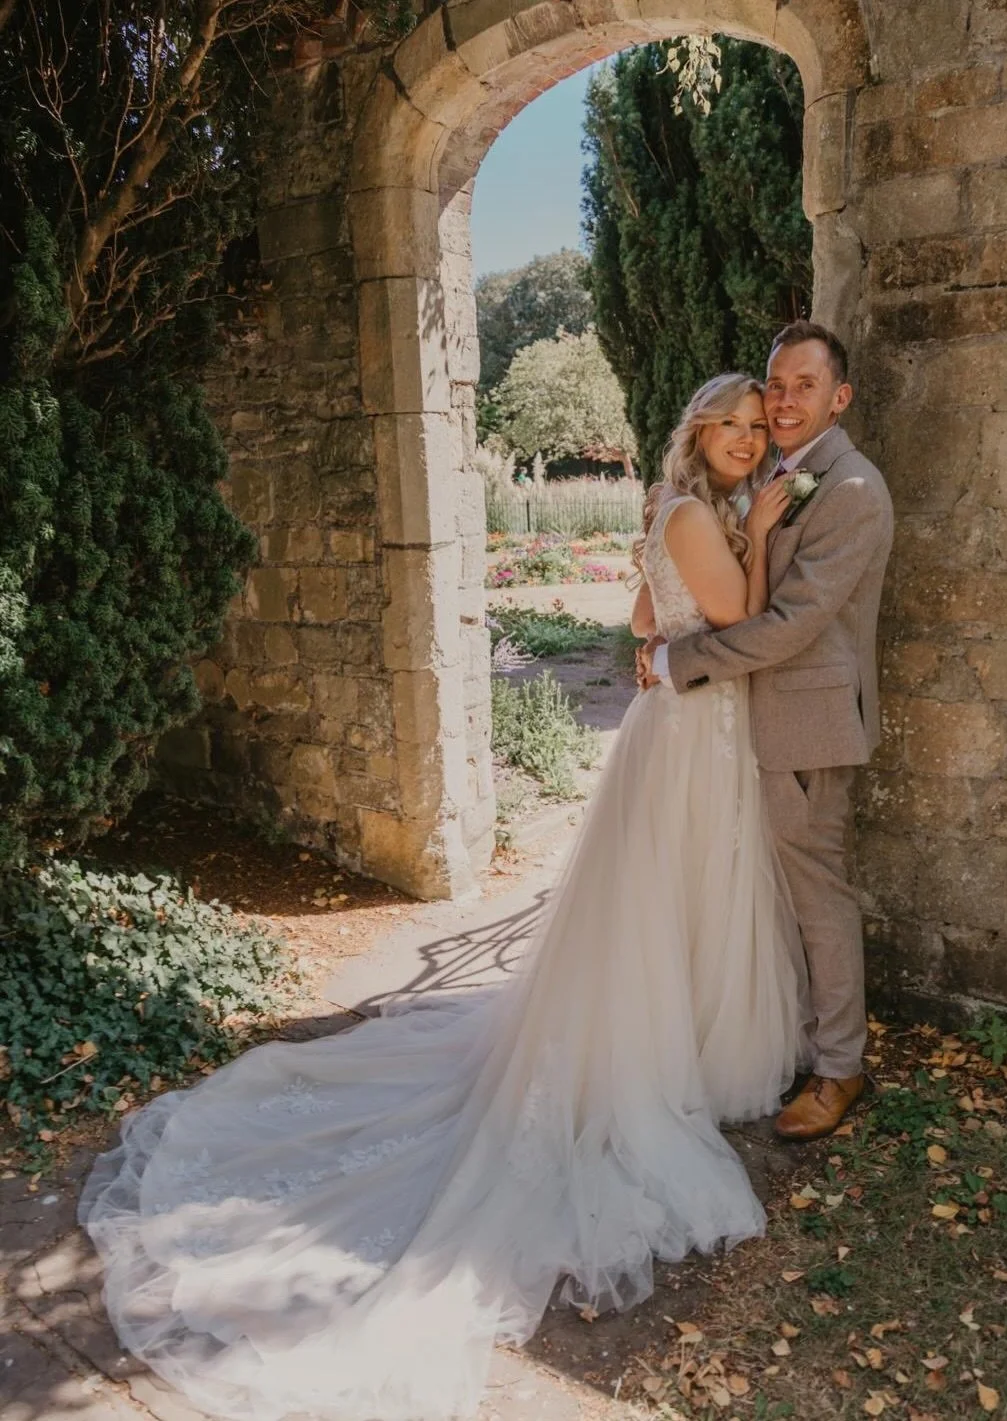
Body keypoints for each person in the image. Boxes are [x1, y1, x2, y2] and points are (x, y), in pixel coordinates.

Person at [79, 373, 810, 1421]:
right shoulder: (701, 512)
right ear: (699, 435)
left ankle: (683, 1038)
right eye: (729, 426)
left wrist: (677, 614)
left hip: (686, 728)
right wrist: (766, 527)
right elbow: (734, 612)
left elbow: (649, 613)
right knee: (678, 896)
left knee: (670, 903)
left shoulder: (675, 509)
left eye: (755, 427)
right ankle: (667, 1058)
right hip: (694, 737)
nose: (746, 440)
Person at [638, 320, 895, 1142]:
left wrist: (682, 662)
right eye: (775, 384)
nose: (782, 401)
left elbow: (788, 625)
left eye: (803, 386)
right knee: (765, 893)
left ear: (839, 397)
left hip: (809, 724)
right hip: (748, 721)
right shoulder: (775, 478)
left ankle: (840, 1070)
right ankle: (780, 1040)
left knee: (819, 896)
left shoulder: (850, 491)